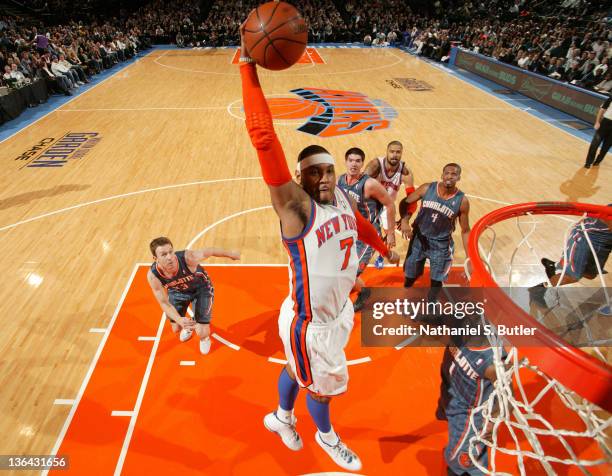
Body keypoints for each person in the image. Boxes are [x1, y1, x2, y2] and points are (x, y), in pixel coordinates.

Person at [238, 24, 399, 471]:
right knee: (323, 387)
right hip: (311, 322)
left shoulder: (344, 197)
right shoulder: (295, 208)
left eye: (329, 170)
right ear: (301, 178)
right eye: (316, 173)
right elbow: (263, 136)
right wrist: (248, 68)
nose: (326, 177)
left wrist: (383, 248)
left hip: (336, 311)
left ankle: (280, 416)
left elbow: (361, 227)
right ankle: (327, 438)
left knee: (297, 369)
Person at [147, 237, 240, 354]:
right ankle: (189, 325)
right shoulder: (153, 276)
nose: (170, 257)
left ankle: (204, 337)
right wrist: (179, 320)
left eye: (171, 251)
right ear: (155, 259)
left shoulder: (188, 258)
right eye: (164, 254)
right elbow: (164, 303)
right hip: (177, 291)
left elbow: (210, 251)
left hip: (201, 289)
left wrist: (231, 254)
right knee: (176, 328)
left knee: (201, 331)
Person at [398, 164, 471, 299]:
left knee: (437, 281)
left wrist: (469, 256)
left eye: (454, 174)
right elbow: (406, 202)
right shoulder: (427, 188)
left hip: (441, 245)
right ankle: (406, 292)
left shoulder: (462, 201)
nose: (449, 176)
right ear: (442, 175)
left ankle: (431, 301)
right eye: (447, 173)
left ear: (459, 178)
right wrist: (404, 220)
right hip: (419, 239)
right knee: (410, 273)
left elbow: (465, 230)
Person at [337, 147, 396, 310]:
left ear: (363, 163)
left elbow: (390, 203)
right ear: (346, 161)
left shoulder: (369, 184)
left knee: (349, 273)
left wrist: (390, 232)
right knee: (340, 268)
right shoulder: (340, 180)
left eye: (358, 161)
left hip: (366, 236)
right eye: (351, 160)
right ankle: (364, 291)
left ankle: (341, 305)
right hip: (348, 232)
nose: (354, 164)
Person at [364, 140, 416, 267]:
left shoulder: (405, 172)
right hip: (371, 204)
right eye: (392, 151)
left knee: (389, 237)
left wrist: (405, 219)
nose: (395, 155)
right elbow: (360, 186)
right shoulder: (375, 166)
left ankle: (381, 256)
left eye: (398, 152)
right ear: (386, 152)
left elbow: (412, 199)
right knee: (368, 234)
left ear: (402, 153)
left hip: (388, 206)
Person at [538, 207, 611, 288]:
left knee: (590, 275)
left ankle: (553, 267)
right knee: (572, 276)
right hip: (584, 236)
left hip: (603, 242)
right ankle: (538, 291)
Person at [584, 95, 612, 168]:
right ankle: (588, 162)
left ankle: (598, 161)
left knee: (606, 147)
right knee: (595, 144)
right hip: (605, 123)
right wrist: (597, 122)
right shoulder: (611, 98)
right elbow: (602, 110)